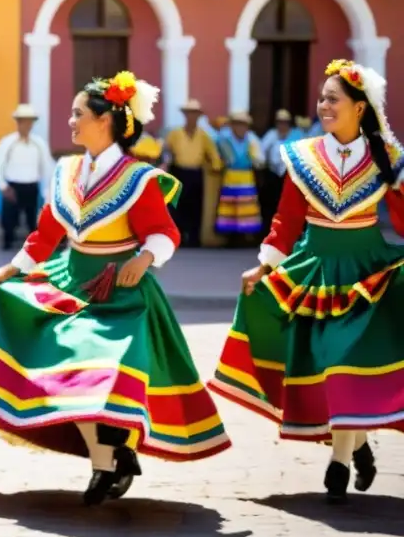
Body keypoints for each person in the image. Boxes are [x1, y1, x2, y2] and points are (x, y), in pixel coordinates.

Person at [0, 71, 231, 506]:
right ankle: (108, 463)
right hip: (71, 283)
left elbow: (164, 232)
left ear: (105, 120)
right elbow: (46, 234)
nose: (69, 121)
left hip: (121, 293)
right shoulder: (66, 170)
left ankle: (113, 457)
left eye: (77, 113)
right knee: (71, 373)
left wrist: (144, 259)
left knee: (98, 373)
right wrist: (14, 267)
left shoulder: (138, 179)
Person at [210, 59, 404, 503]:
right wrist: (264, 265)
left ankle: (338, 463)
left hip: (365, 269)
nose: (324, 105)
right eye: (321, 98)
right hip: (314, 267)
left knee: (343, 360)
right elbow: (288, 217)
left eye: (333, 99)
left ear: (360, 107)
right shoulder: (304, 155)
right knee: (323, 363)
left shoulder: (387, 157)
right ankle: (358, 446)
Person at [0, 104, 55, 251]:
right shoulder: (8, 142)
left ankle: (32, 248)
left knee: (32, 219)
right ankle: (7, 243)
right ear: (18, 122)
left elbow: (48, 168)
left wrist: (46, 192)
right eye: (23, 121)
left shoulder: (39, 143)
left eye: (29, 121)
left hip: (31, 186)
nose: (26, 124)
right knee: (9, 219)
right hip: (13, 187)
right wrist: (3, 187)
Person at [163, 100, 223, 248]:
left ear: (198, 116)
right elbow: (166, 150)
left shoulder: (203, 135)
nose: (192, 117)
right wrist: (165, 163)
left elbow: (213, 153)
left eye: (194, 114)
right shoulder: (175, 133)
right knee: (177, 206)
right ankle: (179, 238)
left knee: (195, 206)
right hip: (178, 171)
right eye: (189, 114)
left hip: (196, 172)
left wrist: (216, 165)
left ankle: (194, 238)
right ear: (185, 115)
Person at [215, 112, 263, 244]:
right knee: (230, 205)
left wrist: (255, 158)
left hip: (246, 176)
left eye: (243, 125)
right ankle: (231, 236)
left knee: (246, 206)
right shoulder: (224, 138)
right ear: (232, 126)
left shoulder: (251, 139)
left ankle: (245, 235)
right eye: (237, 124)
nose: (240, 128)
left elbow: (259, 158)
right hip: (231, 175)